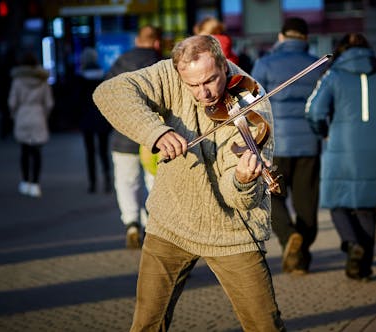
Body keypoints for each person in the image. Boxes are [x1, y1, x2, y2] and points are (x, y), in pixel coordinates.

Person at [93, 35, 286, 331]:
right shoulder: (170, 73)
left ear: (224, 65)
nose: (204, 93)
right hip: (171, 222)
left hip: (232, 231)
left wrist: (244, 180)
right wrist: (155, 132)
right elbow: (109, 92)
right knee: (146, 324)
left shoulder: (251, 99)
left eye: (210, 80)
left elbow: (239, 199)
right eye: (193, 85)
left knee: (264, 326)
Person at [305, 33, 376, 281]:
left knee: (336, 203)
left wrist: (324, 133)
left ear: (341, 51)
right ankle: (363, 268)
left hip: (342, 151)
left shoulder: (333, 77)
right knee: (367, 208)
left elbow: (313, 112)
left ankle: (352, 244)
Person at [251, 17, 324, 274]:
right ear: (305, 38)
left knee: (270, 196)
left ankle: (289, 235)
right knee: (307, 202)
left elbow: (253, 105)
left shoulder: (265, 64)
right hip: (309, 145)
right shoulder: (318, 65)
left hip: (275, 146)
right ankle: (300, 256)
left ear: (281, 37)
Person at [104, 24, 163, 249]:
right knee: (155, 182)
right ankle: (153, 226)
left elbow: (107, 94)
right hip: (154, 135)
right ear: (156, 42)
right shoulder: (162, 63)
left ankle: (131, 223)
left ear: (138, 40)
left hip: (124, 134)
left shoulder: (121, 62)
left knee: (126, 182)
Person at [8, 52, 54, 198]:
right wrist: (44, 115)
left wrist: (14, 115)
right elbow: (49, 103)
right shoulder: (42, 81)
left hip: (23, 114)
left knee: (24, 151)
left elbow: (12, 102)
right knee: (37, 151)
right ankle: (35, 183)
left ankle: (25, 181)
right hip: (38, 114)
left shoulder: (17, 80)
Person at [76, 47, 112, 194]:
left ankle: (93, 183)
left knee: (89, 152)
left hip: (86, 119)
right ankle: (108, 179)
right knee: (103, 151)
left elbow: (76, 101)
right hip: (102, 118)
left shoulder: (80, 79)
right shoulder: (103, 76)